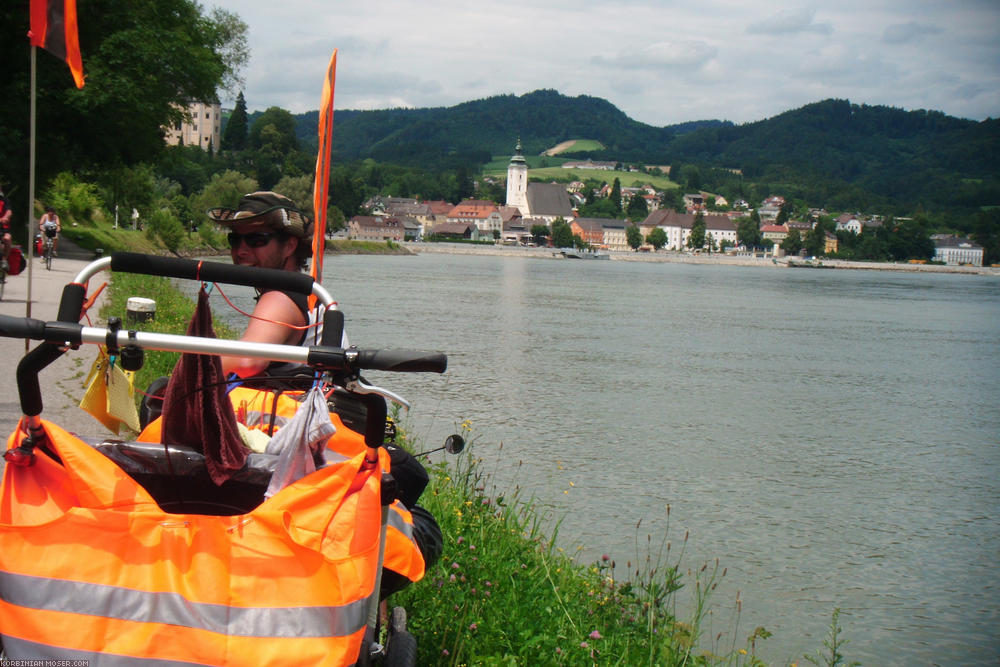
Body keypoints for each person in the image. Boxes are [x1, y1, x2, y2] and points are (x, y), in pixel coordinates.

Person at [205, 191, 326, 378]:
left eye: (257, 240)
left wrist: (186, 372)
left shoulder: (281, 298)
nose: (241, 250)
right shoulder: (302, 292)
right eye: (235, 240)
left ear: (289, 246)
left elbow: (248, 361)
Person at [0, 189, 12, 272]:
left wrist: (6, 217)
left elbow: (9, 211)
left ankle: (4, 260)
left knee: (7, 239)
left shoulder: (5, 200)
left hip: (3, 227)